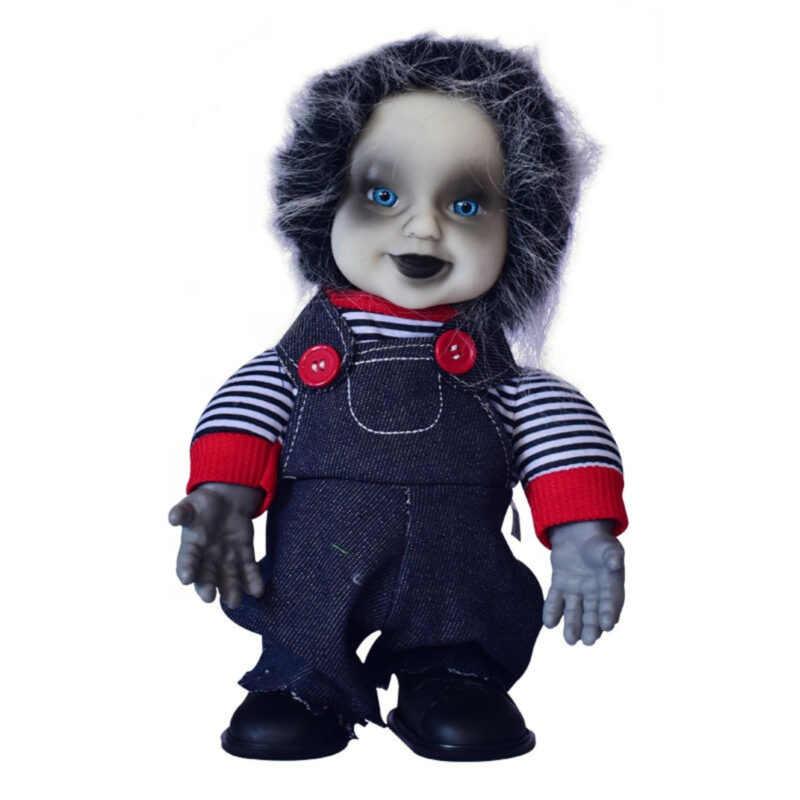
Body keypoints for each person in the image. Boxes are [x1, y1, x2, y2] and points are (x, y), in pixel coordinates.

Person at [169, 34, 628, 762]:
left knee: (465, 605)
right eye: (383, 196)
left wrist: (581, 530)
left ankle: (452, 671)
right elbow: (246, 411)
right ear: (326, 202)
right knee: (302, 601)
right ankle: (301, 679)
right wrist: (222, 495)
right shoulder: (298, 365)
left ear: (520, 227)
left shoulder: (501, 382)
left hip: (458, 571)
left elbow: (559, 431)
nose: (424, 226)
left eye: (467, 204)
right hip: (321, 559)